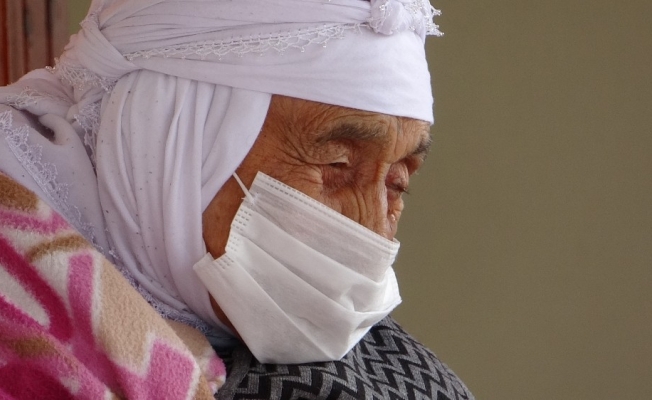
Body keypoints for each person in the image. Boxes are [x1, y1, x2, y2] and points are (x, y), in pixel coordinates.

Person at [0, 0, 474, 398]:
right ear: (171, 132)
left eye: (397, 183)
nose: (370, 233)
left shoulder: (403, 377)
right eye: (335, 164)